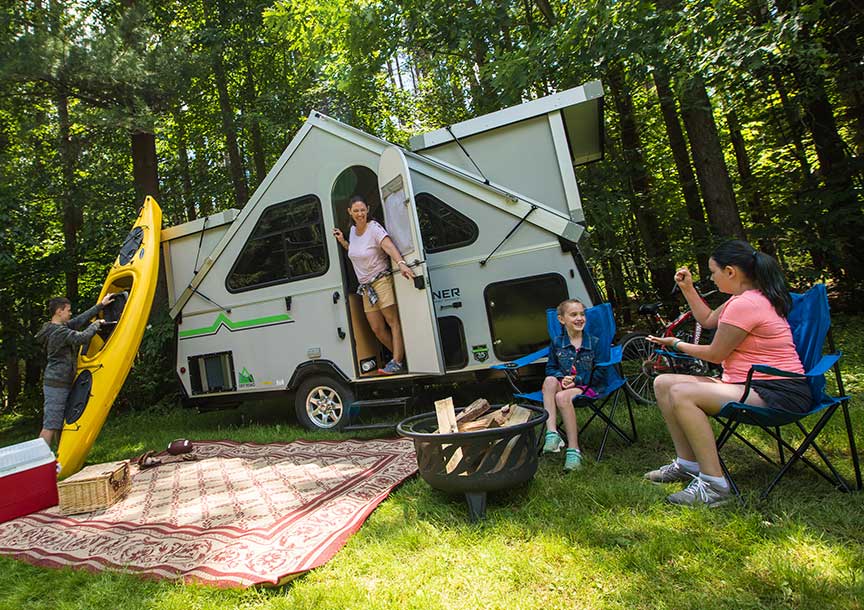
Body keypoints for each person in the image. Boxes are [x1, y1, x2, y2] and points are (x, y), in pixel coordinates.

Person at [644, 240, 811, 507]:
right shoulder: (746, 297)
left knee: (682, 392)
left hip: (778, 392)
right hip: (752, 384)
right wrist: (688, 289)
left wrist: (676, 344)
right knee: (663, 382)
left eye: (713, 272)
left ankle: (714, 485)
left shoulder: (746, 305)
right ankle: (688, 464)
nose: (711, 277)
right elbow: (708, 320)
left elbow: (714, 355)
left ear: (730, 271)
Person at [332, 195, 414, 375]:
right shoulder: (353, 231)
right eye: (356, 211)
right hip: (366, 288)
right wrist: (343, 242)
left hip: (381, 281)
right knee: (377, 328)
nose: (360, 214)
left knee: (392, 322)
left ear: (368, 209)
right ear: (350, 212)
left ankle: (397, 361)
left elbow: (389, 247)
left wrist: (401, 264)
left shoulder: (374, 229)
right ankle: (403, 357)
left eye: (362, 210)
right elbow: (356, 252)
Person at [35, 293, 115, 448]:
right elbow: (82, 338)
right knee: (51, 424)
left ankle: (60, 457)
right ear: (59, 311)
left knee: (61, 422)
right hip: (56, 384)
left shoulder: (57, 328)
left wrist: (100, 306)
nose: (70, 313)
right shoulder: (59, 332)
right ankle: (39, 464)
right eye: (68, 310)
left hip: (61, 381)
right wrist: (97, 324)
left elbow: (79, 320)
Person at [540, 298, 606, 472]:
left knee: (561, 397)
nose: (579, 318)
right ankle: (552, 433)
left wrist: (576, 380)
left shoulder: (594, 342)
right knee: (549, 381)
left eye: (582, 314)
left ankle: (573, 450)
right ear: (562, 320)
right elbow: (551, 368)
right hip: (565, 384)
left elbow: (600, 372)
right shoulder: (557, 343)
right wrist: (562, 378)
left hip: (588, 386)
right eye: (573, 314)